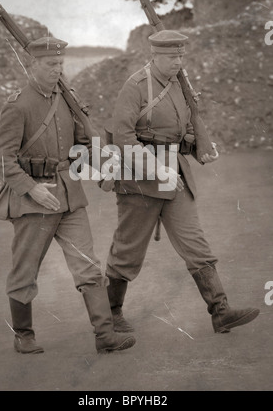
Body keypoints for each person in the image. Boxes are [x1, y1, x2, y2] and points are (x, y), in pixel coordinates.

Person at [105, 29, 259, 335]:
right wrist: (157, 170)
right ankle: (111, 313)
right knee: (128, 249)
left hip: (175, 173)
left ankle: (221, 311)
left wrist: (195, 143)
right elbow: (122, 136)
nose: (178, 62)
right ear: (155, 56)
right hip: (140, 181)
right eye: (171, 56)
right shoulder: (135, 85)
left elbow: (180, 132)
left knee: (196, 244)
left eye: (180, 56)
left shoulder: (178, 85)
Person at [0, 36, 136, 355]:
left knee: (87, 266)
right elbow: (1, 158)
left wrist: (105, 167)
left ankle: (104, 334)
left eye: (60, 64)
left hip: (69, 197)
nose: (57, 69)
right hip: (33, 202)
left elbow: (83, 145)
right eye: (50, 64)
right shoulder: (19, 105)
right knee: (25, 269)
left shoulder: (68, 99)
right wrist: (30, 188)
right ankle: (23, 335)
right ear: (33, 65)